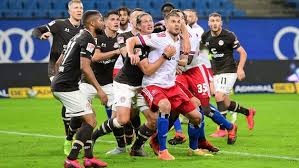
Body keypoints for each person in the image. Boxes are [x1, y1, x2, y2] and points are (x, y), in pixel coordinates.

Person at [127, 11, 208, 160]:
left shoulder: (179, 40)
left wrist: (179, 60)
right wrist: (131, 54)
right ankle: (163, 150)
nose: (176, 24)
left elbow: (185, 53)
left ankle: (193, 148)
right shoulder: (158, 37)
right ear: (166, 23)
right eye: (173, 21)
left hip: (171, 86)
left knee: (197, 117)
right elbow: (131, 40)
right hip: (153, 85)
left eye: (179, 21)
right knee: (165, 106)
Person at [51, 10, 108, 168]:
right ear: (92, 23)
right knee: (90, 120)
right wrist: (100, 90)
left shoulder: (77, 36)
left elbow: (58, 63)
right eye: (101, 20)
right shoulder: (89, 38)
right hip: (66, 87)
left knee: (90, 117)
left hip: (64, 84)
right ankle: (71, 159)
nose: (103, 23)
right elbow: (85, 67)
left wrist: (61, 76)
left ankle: (89, 158)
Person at [31, 0, 84, 155]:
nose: (79, 10)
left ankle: (72, 138)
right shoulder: (59, 24)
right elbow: (36, 30)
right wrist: (41, 35)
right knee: (69, 102)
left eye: (81, 8)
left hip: (77, 72)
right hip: (57, 70)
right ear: (69, 10)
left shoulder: (85, 28)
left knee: (76, 104)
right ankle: (69, 139)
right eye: (76, 8)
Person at [91, 9, 145, 155]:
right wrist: (123, 53)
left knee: (127, 117)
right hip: (93, 82)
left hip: (115, 83)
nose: (117, 21)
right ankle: (79, 138)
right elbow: (97, 57)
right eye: (113, 19)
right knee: (90, 117)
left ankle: (131, 145)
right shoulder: (111, 38)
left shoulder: (147, 37)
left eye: (118, 19)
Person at [201, 13, 256, 137]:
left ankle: (223, 128)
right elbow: (201, 53)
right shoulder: (205, 37)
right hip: (215, 72)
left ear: (221, 23)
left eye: (217, 21)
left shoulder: (229, 35)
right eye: (212, 21)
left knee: (219, 95)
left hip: (229, 70)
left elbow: (243, 53)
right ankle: (248, 112)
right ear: (209, 23)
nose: (214, 23)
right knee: (225, 103)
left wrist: (240, 69)